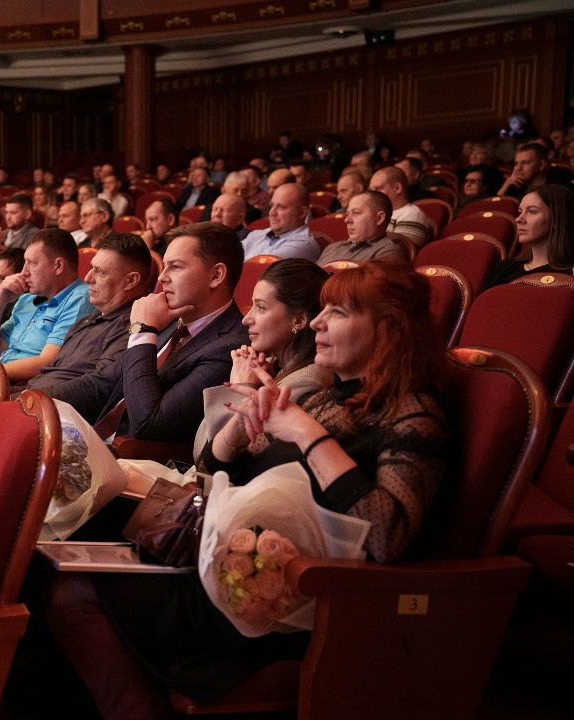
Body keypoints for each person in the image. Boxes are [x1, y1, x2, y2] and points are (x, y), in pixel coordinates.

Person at [48, 261, 449, 719]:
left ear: (389, 329)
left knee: (76, 592)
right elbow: (214, 471)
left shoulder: (414, 416)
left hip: (300, 596)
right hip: (239, 564)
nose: (317, 322)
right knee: (69, 556)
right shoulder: (325, 399)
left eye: (336, 313)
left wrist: (305, 433)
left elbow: (385, 536)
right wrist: (239, 426)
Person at [59, 222, 249, 441]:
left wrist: (143, 332)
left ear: (216, 275)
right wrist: (31, 399)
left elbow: (150, 424)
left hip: (134, 460)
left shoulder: (232, 347)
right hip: (93, 439)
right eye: (165, 266)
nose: (161, 277)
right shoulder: (167, 322)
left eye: (176, 267)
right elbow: (102, 385)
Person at [192, 258, 332, 458]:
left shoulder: (307, 381)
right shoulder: (273, 368)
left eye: (261, 308)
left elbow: (211, 460)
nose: (246, 319)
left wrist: (240, 387)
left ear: (299, 320)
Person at [26, 234, 153, 397]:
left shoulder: (130, 327)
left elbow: (99, 387)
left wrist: (25, 399)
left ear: (131, 281)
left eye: (100, 272)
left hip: (50, 413)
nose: (87, 278)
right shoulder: (84, 322)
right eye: (92, 268)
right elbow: (50, 375)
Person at [0, 228, 95, 383]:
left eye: (31, 263)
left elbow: (47, 362)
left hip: (24, 387)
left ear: (58, 266)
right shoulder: (27, 299)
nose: (24, 272)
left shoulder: (80, 298)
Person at [480, 185, 574, 291]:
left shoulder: (570, 273)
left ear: (557, 219)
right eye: (520, 212)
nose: (519, 219)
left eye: (532, 211)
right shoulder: (502, 269)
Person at [317, 191, 408, 265]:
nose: (347, 220)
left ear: (379, 218)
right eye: (348, 213)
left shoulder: (387, 251)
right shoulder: (332, 247)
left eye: (356, 213)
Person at [240, 184, 321, 261]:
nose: (272, 213)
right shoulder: (257, 235)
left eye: (281, 207)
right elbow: (229, 257)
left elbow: (257, 269)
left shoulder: (303, 245)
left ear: (302, 213)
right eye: (271, 206)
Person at [369, 167, 433, 248]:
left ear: (397, 188)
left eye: (378, 189)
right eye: (371, 190)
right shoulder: (373, 214)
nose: (373, 195)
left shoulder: (412, 214)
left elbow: (398, 252)